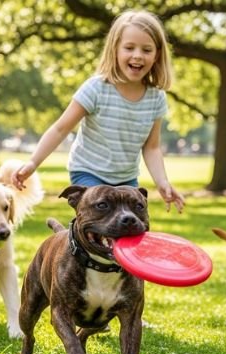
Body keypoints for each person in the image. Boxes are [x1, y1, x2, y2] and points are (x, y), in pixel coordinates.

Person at [11, 10, 184, 214]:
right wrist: (32, 163)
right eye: (129, 47)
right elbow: (60, 129)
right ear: (115, 50)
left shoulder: (156, 98)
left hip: (126, 178)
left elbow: (152, 147)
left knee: (130, 227)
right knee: (100, 219)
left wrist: (162, 182)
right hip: (88, 172)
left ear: (157, 55)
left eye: (147, 50)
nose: (137, 55)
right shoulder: (96, 89)